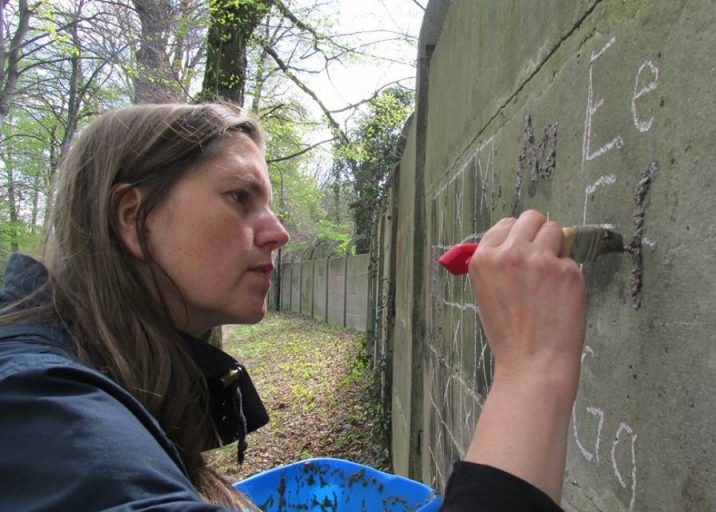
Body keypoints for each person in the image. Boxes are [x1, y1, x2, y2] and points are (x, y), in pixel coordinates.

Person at [0, 102, 586, 511]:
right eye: (239, 197)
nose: (278, 232)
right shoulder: (43, 413)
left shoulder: (90, 375)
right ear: (133, 217)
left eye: (271, 204)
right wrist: (531, 370)